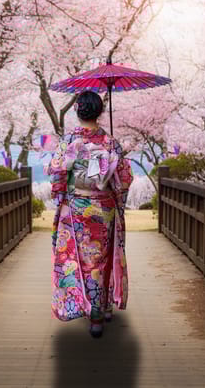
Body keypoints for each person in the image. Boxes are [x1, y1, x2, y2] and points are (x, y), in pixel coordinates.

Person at [46, 91, 133, 338]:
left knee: (79, 260)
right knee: (102, 260)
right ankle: (102, 309)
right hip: (104, 207)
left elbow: (56, 175)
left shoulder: (68, 141)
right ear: (100, 112)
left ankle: (85, 308)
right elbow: (124, 179)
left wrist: (63, 194)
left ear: (77, 110)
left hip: (75, 209)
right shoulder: (110, 142)